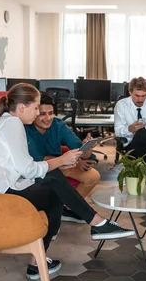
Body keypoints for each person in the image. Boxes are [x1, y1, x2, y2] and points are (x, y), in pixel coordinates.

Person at [0, 83, 135, 280]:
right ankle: (97, 223)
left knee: (53, 189)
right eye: (36, 108)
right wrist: (61, 161)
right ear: (22, 108)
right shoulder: (12, 124)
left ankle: (38, 261)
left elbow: (24, 169)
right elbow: (28, 168)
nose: (38, 113)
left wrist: (59, 164)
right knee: (53, 181)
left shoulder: (6, 122)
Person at [25, 93, 100, 223]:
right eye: (43, 114)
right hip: (36, 168)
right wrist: (68, 160)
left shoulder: (58, 125)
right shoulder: (25, 129)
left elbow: (79, 151)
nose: (48, 118)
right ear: (34, 112)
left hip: (60, 164)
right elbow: (37, 159)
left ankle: (67, 209)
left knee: (92, 176)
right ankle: (55, 210)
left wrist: (86, 148)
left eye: (51, 113)